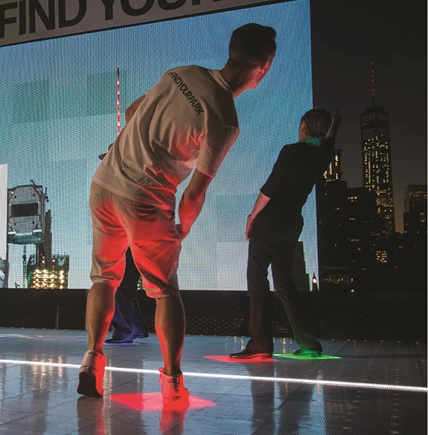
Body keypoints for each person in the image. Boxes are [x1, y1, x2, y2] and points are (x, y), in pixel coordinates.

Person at [78, 23, 275, 400]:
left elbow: (135, 109)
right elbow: (194, 193)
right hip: (146, 199)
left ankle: (91, 359)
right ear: (263, 67)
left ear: (231, 51)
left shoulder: (182, 73)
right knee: (165, 291)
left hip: (104, 183)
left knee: (104, 277)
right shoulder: (223, 119)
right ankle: (171, 380)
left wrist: (126, 151)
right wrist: (183, 228)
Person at [232, 108, 339, 360]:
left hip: (269, 222)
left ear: (302, 124)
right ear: (322, 131)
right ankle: (309, 343)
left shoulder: (291, 151)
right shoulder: (323, 153)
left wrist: (251, 217)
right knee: (284, 284)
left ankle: (260, 343)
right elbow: (332, 137)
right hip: (291, 225)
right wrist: (335, 124)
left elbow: (270, 189)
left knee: (257, 281)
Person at [105, 249, 148, 345]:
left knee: (120, 291)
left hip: (124, 251)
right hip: (135, 251)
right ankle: (135, 328)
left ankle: (124, 332)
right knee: (127, 291)